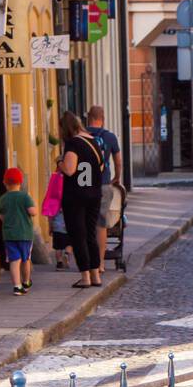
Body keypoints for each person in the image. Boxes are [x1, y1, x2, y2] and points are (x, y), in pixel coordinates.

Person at [59, 111, 104, 288]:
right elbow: (100, 166)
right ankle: (96, 275)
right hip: (94, 194)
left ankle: (85, 277)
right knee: (90, 234)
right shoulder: (93, 141)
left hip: (76, 196)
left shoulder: (73, 143)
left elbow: (70, 169)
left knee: (78, 236)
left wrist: (59, 163)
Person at [86, 105, 122, 274]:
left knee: (86, 223)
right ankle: (99, 263)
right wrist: (117, 177)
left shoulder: (82, 136)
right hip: (103, 183)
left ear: (89, 118)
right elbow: (118, 161)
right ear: (103, 118)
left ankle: (86, 263)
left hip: (84, 184)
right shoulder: (110, 137)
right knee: (101, 224)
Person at [0, 167, 36, 296]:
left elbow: (1, 216)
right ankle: (26, 282)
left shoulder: (3, 198)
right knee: (26, 259)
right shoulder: (25, 196)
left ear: (5, 182)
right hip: (25, 234)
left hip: (9, 234)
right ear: (20, 182)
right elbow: (33, 211)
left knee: (14, 260)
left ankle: (17, 286)